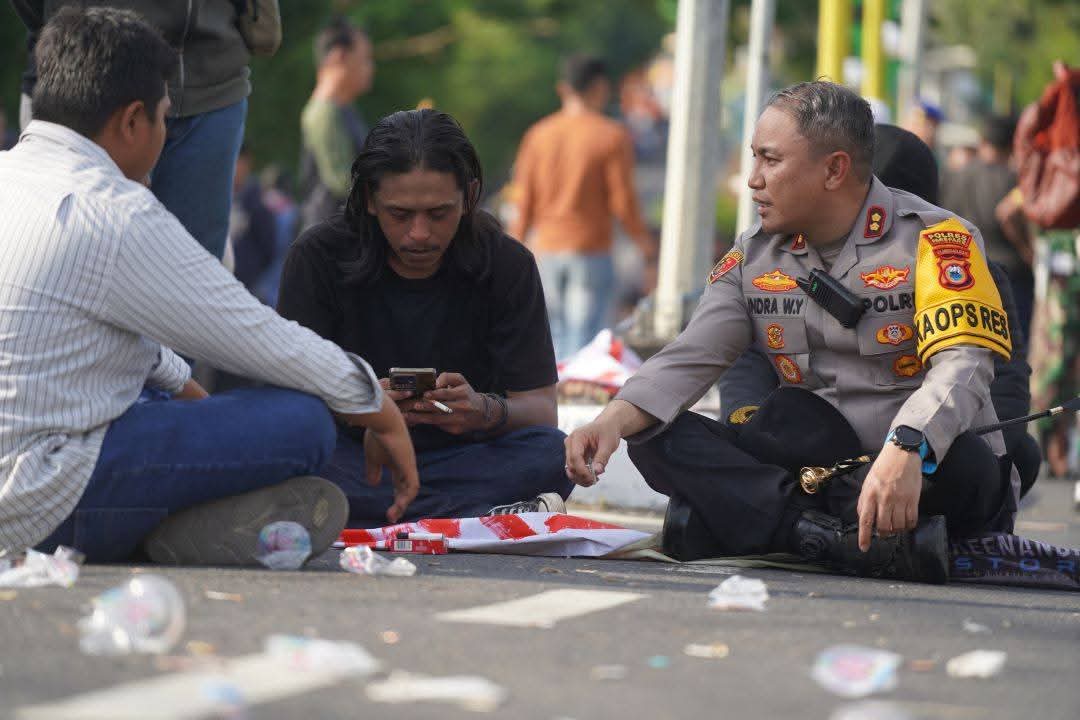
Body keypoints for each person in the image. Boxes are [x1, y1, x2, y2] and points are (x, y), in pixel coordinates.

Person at [0, 7, 418, 565]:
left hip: (30, 463)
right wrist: (375, 403)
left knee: (173, 397)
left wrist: (193, 403)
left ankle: (167, 517)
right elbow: (254, 334)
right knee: (304, 421)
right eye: (164, 117)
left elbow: (110, 338)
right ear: (131, 121)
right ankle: (162, 525)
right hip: (40, 502)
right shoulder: (117, 212)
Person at [565, 82, 1018, 583]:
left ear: (834, 169)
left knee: (970, 463)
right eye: (753, 159)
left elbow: (964, 363)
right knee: (656, 434)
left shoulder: (938, 240)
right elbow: (690, 356)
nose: (753, 180)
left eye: (770, 160)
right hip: (810, 471)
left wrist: (908, 447)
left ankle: (764, 523)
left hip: (918, 468)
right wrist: (609, 421)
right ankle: (829, 538)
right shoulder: (754, 255)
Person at [278, 109, 573, 527]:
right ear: (368, 200)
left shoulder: (508, 264)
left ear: (469, 198)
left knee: (552, 453)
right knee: (286, 449)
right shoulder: (318, 256)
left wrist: (483, 410)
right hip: (355, 457)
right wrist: (363, 406)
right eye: (400, 214)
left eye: (439, 214)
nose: (419, 234)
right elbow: (288, 403)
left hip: (466, 456)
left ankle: (370, 511)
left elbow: (541, 410)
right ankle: (475, 513)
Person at [720, 124, 1041, 498]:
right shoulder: (787, 258)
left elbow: (1003, 377)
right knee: (680, 439)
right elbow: (745, 355)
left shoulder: (960, 265)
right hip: (811, 440)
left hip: (920, 446)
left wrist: (923, 442)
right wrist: (752, 423)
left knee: (1007, 458)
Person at [13, 0, 275, 261]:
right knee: (79, 261)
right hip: (90, 84)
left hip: (215, 84)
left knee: (193, 272)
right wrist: (73, 32)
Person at [511, 54, 653, 360]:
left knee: (551, 335)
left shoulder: (538, 135)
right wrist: (643, 242)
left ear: (563, 89)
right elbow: (622, 199)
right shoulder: (611, 136)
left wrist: (512, 245)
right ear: (600, 87)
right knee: (586, 338)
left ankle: (554, 400)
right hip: (590, 250)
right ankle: (575, 400)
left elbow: (524, 198)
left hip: (545, 249)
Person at [942, 116, 1034, 342]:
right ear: (1011, 145)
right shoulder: (1014, 181)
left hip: (962, 272)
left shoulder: (953, 176)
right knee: (1013, 345)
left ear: (983, 141)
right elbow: (1014, 219)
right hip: (1011, 274)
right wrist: (1027, 251)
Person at [298, 16, 374, 231]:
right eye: (365, 59)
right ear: (339, 56)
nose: (370, 68)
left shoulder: (344, 109)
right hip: (329, 246)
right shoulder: (323, 112)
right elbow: (343, 184)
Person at [229, 144, 278, 301]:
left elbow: (269, 247)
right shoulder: (218, 198)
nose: (233, 167)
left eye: (238, 161)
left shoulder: (257, 203)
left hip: (250, 286)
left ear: (247, 163)